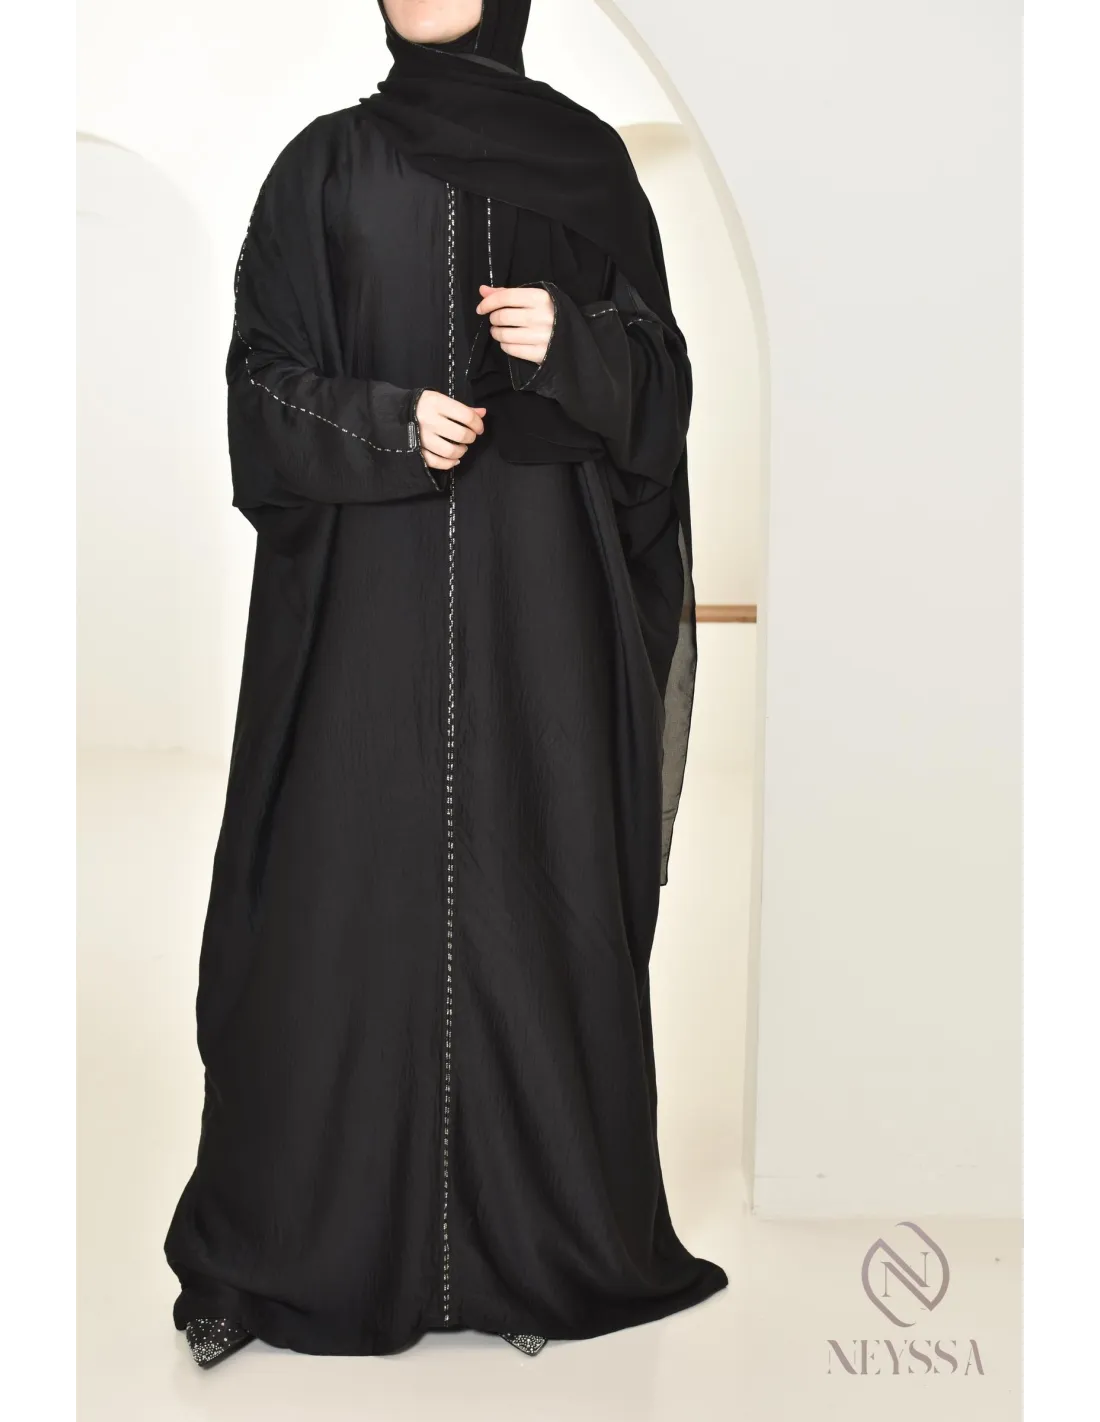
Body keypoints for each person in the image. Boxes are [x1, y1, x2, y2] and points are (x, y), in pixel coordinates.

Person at [164, 0, 726, 1367]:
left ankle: (532, 1246)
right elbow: (258, 387)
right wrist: (384, 419)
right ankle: (284, 1249)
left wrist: (572, 343)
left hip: (546, 620)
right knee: (331, 905)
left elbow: (660, 397)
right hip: (364, 613)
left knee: (538, 897)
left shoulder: (588, 165)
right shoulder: (322, 168)